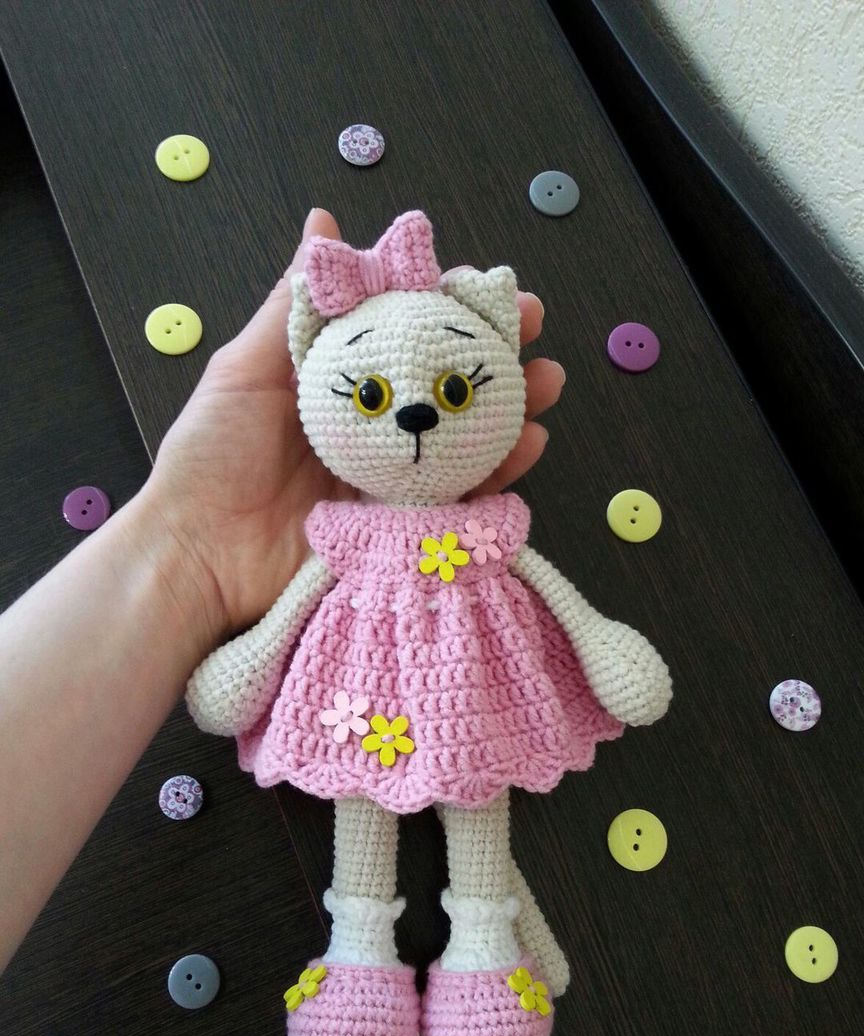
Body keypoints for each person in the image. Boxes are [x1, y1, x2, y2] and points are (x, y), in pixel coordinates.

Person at [0, 206, 565, 974]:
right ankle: (359, 954)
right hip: (359, 696)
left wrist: (595, 644)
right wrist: (230, 625)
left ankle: (486, 950)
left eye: (458, 389)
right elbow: (305, 592)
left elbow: (548, 589)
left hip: (469, 695)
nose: (414, 416)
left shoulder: (483, 532)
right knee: (360, 795)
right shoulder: (344, 534)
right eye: (369, 396)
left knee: (476, 784)